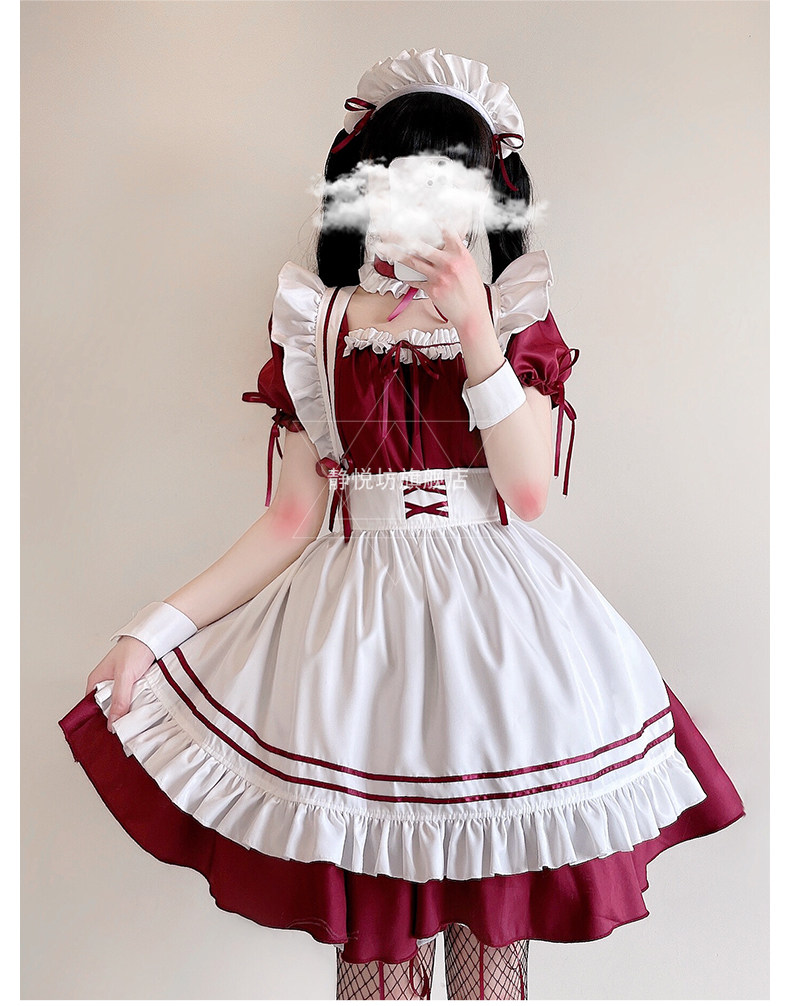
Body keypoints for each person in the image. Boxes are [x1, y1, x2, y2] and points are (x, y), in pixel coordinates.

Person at [58, 47, 745, 1000]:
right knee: (379, 931)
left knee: (491, 919)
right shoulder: (319, 326)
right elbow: (291, 516)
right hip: (358, 649)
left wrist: (474, 327)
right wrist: (151, 631)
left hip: (497, 644)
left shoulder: (514, 317)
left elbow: (527, 492)